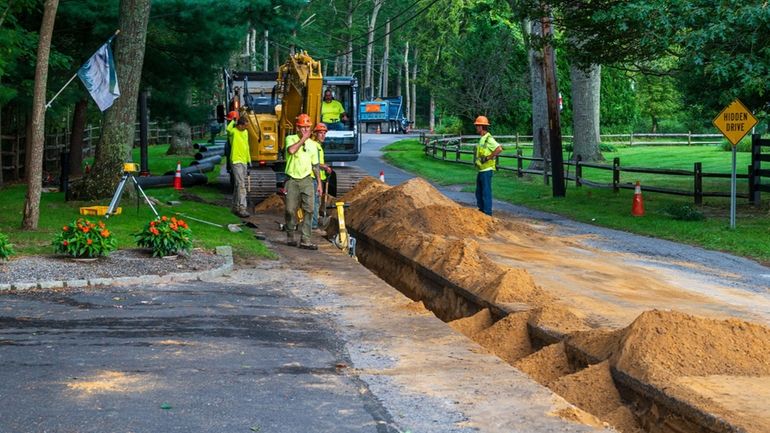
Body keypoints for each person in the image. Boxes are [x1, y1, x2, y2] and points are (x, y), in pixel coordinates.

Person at [284, 113, 323, 250]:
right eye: (302, 127)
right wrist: (303, 140)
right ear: (297, 128)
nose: (305, 130)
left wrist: (319, 183)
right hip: (292, 179)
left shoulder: (313, 145)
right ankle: (290, 234)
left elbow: (315, 166)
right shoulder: (290, 138)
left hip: (307, 179)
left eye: (307, 127)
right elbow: (292, 150)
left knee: (310, 209)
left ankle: (306, 239)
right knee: (290, 210)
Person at [473, 115, 502, 216]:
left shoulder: (488, 138)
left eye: (477, 126)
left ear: (481, 127)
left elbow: (499, 149)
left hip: (487, 169)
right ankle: (481, 211)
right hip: (481, 170)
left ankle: (487, 213)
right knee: (479, 192)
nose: (476, 127)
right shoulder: (482, 138)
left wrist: (488, 158)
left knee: (486, 192)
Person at [226, 115, 252, 218]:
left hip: (244, 161)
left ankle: (235, 206)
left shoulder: (245, 133)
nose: (246, 127)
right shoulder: (233, 132)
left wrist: (249, 160)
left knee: (238, 184)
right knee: (241, 185)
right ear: (240, 125)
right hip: (236, 160)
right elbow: (228, 129)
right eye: (245, 126)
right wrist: (233, 121)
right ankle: (242, 208)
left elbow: (246, 146)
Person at [310, 123, 333, 231]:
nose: (323, 136)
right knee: (315, 202)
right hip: (313, 177)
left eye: (324, 133)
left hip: (318, 177)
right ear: (315, 134)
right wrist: (324, 167)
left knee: (317, 201)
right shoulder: (314, 146)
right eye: (320, 133)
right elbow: (314, 163)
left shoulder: (318, 146)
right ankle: (313, 224)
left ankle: (314, 221)